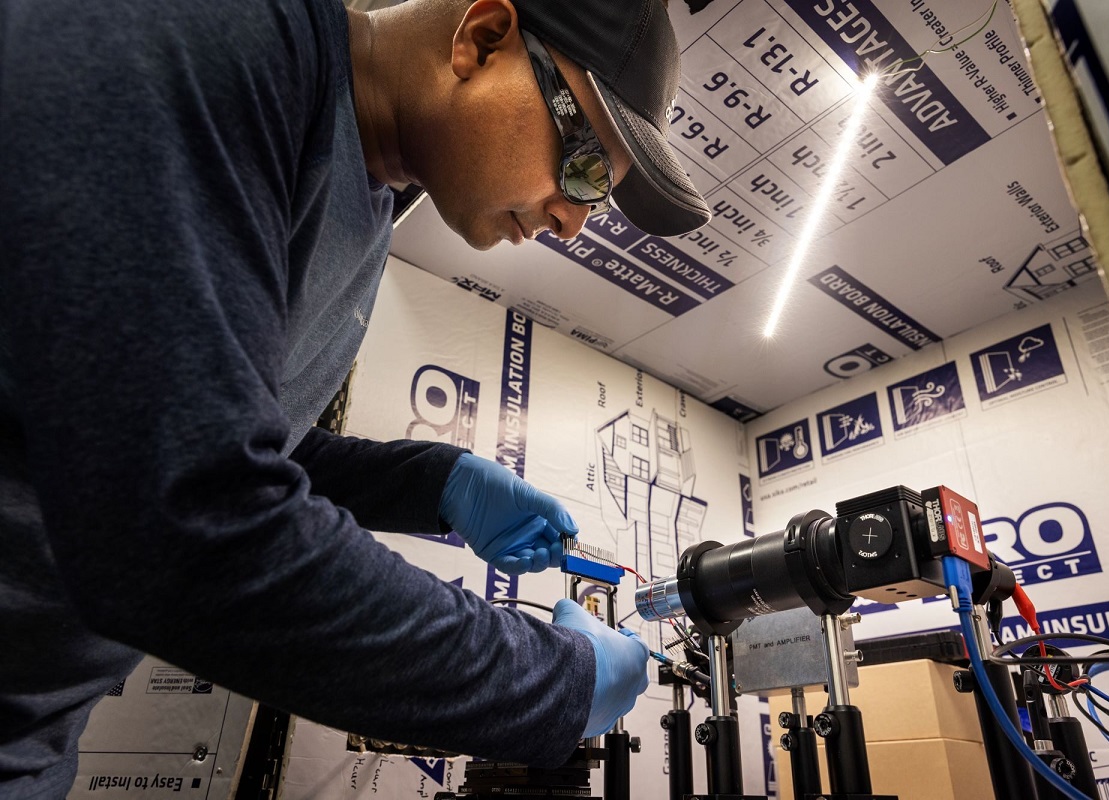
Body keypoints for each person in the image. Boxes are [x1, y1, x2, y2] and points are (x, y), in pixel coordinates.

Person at [0, 0, 712, 794]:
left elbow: (212, 422)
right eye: (583, 163)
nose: (574, 220)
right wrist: (553, 683)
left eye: (599, 195)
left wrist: (435, 483)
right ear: (481, 39)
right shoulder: (210, 43)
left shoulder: (367, 200)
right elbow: (184, 517)